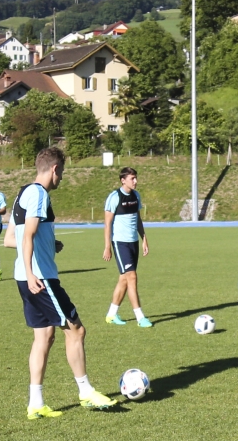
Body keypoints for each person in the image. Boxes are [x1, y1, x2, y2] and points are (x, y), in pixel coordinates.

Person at [14, 146, 116, 419]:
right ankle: (86, 392)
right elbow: (27, 236)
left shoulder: (22, 193)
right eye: (62, 173)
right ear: (55, 169)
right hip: (40, 278)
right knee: (76, 331)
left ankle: (36, 403)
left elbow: (13, 238)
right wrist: (33, 272)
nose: (61, 178)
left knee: (44, 337)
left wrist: (49, 244)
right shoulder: (39, 194)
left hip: (24, 278)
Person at [102, 167, 151, 327]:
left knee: (124, 279)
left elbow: (138, 219)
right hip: (120, 243)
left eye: (136, 178)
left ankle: (111, 315)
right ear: (123, 180)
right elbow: (107, 224)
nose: (135, 181)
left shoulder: (136, 196)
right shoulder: (114, 197)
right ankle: (140, 317)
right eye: (132, 178)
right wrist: (107, 246)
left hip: (133, 242)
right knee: (132, 277)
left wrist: (144, 239)